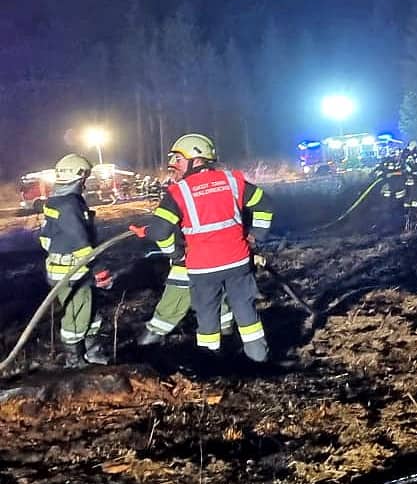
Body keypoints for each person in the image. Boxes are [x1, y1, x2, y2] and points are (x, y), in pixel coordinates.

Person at [134, 133, 274, 362]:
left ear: (197, 160)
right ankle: (259, 359)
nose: (173, 167)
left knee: (207, 317)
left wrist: (168, 248)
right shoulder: (233, 181)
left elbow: (160, 232)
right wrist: (255, 237)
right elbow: (265, 205)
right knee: (246, 311)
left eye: (178, 160)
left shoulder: (178, 192)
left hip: (202, 269)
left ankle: (212, 364)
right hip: (238, 262)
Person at [38, 153, 111, 367]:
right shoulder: (69, 205)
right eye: (85, 179)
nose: (85, 184)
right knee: (77, 316)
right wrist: (99, 270)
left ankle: (92, 353)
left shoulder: (57, 201)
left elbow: (46, 239)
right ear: (78, 178)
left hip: (67, 270)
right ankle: (75, 360)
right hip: (73, 273)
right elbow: (81, 245)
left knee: (89, 312)